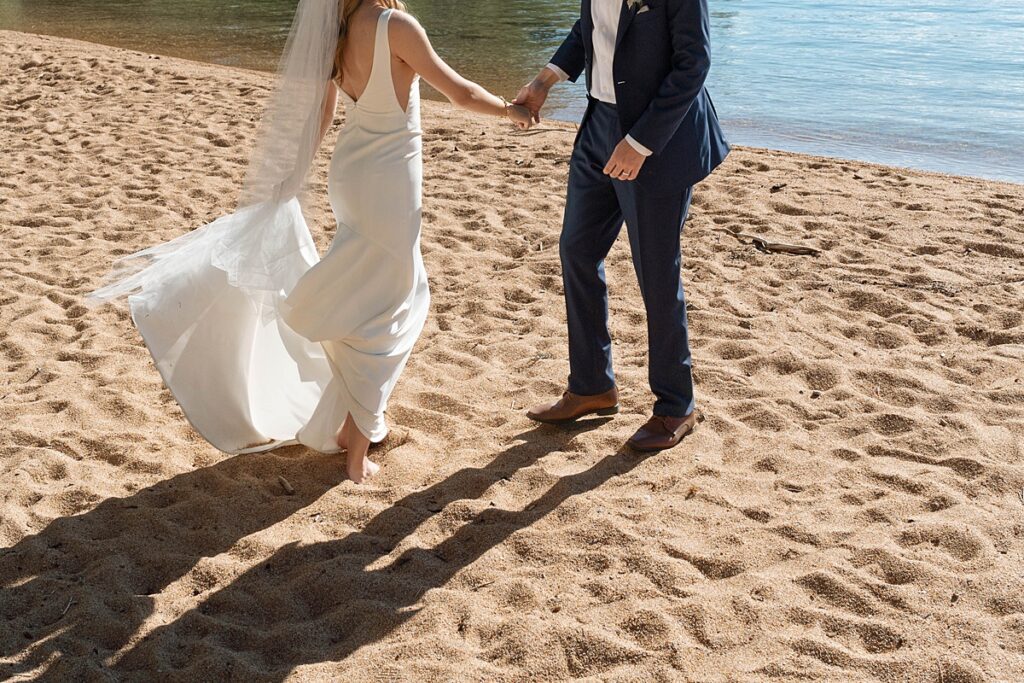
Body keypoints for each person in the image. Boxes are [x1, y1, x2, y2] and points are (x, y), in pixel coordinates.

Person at [88, 0, 532, 484]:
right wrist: (512, 111)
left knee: (373, 291)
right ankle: (356, 450)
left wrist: (295, 177)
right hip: (390, 182)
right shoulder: (396, 25)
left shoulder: (336, 30)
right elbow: (461, 92)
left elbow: (324, 112)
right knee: (392, 306)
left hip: (350, 174)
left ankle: (356, 420)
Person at [515, 0, 730, 451]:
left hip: (657, 139)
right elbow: (589, 29)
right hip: (598, 126)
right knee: (576, 249)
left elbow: (694, 65)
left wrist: (640, 143)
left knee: (655, 272)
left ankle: (676, 404)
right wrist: (544, 81)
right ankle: (592, 386)